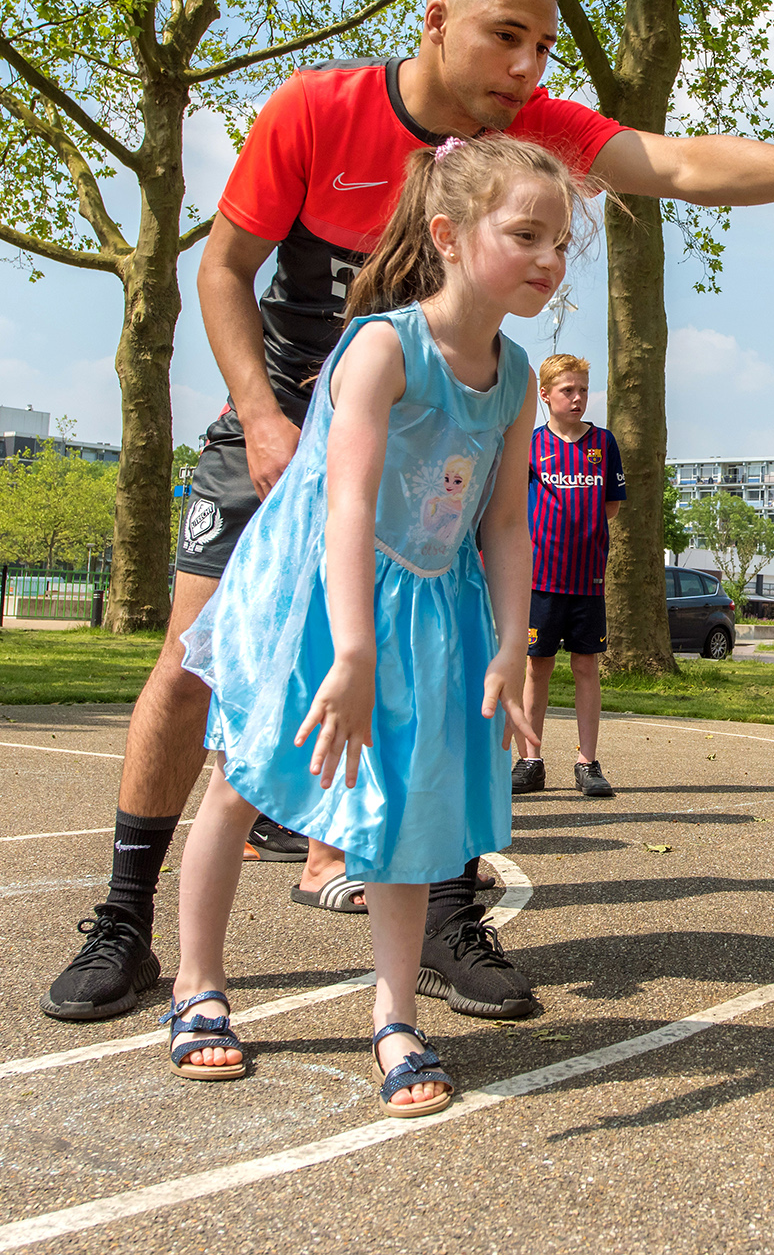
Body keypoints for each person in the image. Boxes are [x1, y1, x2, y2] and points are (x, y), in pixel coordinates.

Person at [42, 0, 774, 1022]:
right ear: (434, 20)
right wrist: (269, 421)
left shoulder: (522, 136)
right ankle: (125, 924)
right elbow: (224, 270)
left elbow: (680, 163)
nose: (526, 67)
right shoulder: (315, 110)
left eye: (542, 47)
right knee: (194, 673)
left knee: (459, 670)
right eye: (504, 37)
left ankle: (453, 922)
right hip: (278, 431)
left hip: (434, 447)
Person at [163, 134, 563, 1111]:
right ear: (451, 235)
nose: (550, 259)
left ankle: (395, 1018)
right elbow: (345, 506)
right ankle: (197, 985)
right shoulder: (384, 347)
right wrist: (348, 650)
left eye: (561, 243)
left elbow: (506, 521)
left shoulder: (515, 376)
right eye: (526, 234)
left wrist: (511, 642)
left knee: (409, 807)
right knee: (243, 775)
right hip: (313, 592)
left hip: (429, 597)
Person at [515, 354, 624, 798]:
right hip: (539, 578)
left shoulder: (603, 442)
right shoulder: (530, 443)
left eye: (583, 389)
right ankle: (530, 760)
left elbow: (612, 504)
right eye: (567, 391)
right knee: (536, 668)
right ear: (545, 395)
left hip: (587, 581)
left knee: (585, 667)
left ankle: (587, 763)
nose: (578, 398)